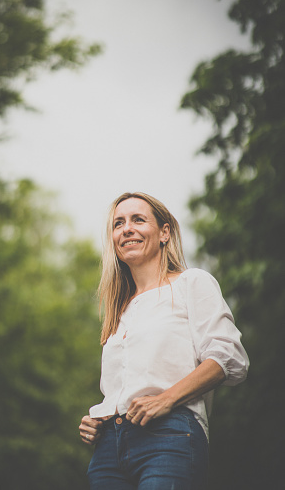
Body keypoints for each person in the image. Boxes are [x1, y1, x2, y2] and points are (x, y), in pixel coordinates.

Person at [79, 192, 249, 490]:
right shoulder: (119, 309)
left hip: (168, 437)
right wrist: (98, 418)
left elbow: (229, 358)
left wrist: (166, 399)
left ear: (164, 233)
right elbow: (123, 388)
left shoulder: (191, 283)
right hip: (108, 449)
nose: (126, 228)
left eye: (138, 220)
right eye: (118, 223)